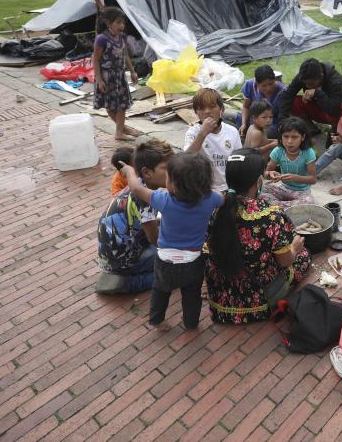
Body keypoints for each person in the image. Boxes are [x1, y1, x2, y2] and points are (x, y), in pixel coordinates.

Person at [205, 149, 311, 324]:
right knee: (303, 256)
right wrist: (294, 248)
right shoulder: (271, 215)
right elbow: (285, 261)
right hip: (259, 300)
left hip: (219, 299)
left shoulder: (213, 207)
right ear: (259, 181)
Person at [122, 152, 223, 330]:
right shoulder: (210, 199)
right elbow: (223, 198)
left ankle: (157, 321)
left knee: (160, 291)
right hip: (193, 261)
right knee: (192, 295)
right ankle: (190, 324)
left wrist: (130, 171)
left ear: (173, 184)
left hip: (164, 260)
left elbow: (137, 189)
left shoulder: (163, 200)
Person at [95, 139, 174, 294]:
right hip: (122, 260)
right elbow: (155, 240)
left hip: (115, 253)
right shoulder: (145, 199)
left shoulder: (139, 185)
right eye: (166, 168)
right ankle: (125, 283)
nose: (172, 172)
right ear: (146, 172)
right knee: (175, 269)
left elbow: (145, 223)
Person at [93, 7, 140, 141]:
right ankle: (121, 130)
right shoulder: (101, 39)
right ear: (109, 23)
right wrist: (99, 80)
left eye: (123, 23)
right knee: (110, 105)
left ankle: (121, 130)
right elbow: (95, 60)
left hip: (119, 77)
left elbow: (126, 56)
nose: (122, 25)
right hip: (107, 78)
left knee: (122, 104)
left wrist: (132, 71)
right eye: (118, 22)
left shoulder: (122, 37)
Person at [184, 88, 242, 191]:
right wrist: (202, 134)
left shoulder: (232, 131)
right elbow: (185, 161)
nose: (207, 112)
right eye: (201, 108)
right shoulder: (193, 133)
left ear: (221, 109)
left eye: (212, 107)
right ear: (196, 112)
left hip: (229, 188)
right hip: (204, 190)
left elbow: (238, 161)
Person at [277, 58, 342, 130]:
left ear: (321, 76)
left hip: (336, 113)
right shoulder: (303, 76)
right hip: (317, 109)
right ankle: (309, 129)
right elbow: (287, 95)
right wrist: (282, 122)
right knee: (295, 101)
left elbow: (334, 109)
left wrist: (317, 93)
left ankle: (337, 129)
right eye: (305, 84)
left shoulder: (335, 82)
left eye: (311, 84)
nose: (307, 86)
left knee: (340, 108)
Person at [263, 117, 317, 207]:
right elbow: (266, 174)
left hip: (302, 192)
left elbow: (313, 179)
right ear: (281, 137)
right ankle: (287, 207)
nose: (289, 141)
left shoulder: (308, 153)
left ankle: (278, 206)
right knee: (261, 190)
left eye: (294, 137)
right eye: (286, 136)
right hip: (283, 188)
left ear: (303, 137)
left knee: (309, 202)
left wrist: (295, 177)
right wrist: (270, 174)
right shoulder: (278, 151)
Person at [236, 65, 286, 138]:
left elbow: (284, 117)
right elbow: (246, 107)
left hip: (271, 124)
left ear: (275, 79)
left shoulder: (282, 92)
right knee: (228, 117)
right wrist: (243, 124)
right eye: (264, 86)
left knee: (258, 134)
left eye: (271, 84)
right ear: (256, 83)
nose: (268, 88)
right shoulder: (250, 85)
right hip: (253, 119)